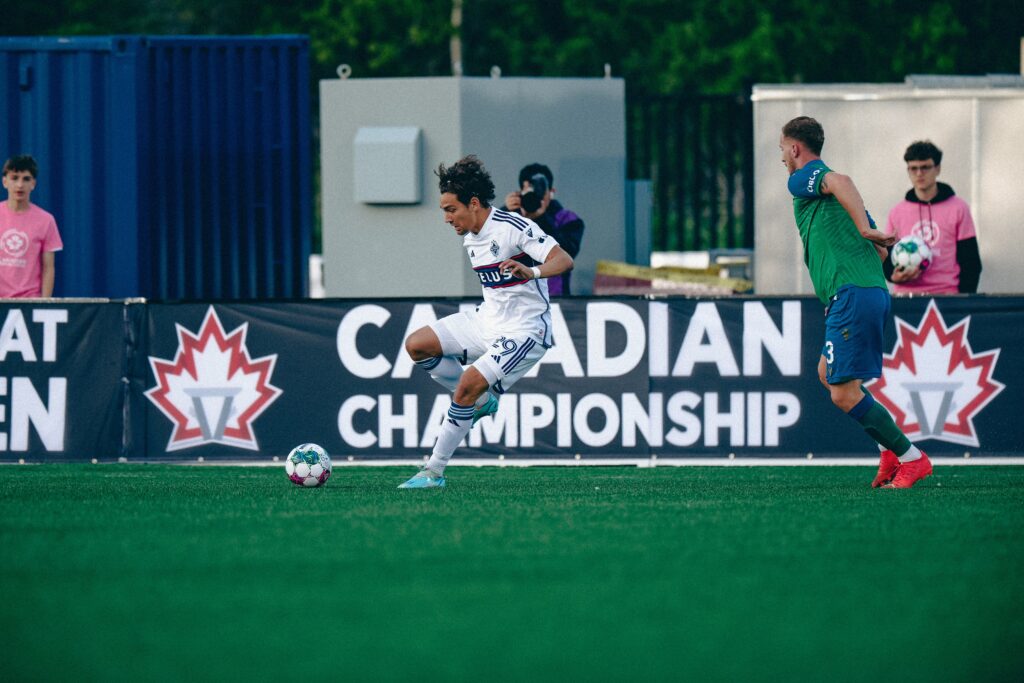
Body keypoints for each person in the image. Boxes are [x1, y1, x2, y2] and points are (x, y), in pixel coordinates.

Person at [399, 155, 574, 488]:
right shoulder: (470, 237)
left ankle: (433, 473)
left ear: (474, 204)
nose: (446, 218)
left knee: (465, 387)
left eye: (451, 210)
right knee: (417, 345)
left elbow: (563, 260)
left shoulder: (513, 228)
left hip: (526, 330)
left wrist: (531, 270)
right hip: (486, 320)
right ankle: (480, 401)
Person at [780, 116, 931, 489]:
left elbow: (840, 181)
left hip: (850, 293)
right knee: (826, 373)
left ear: (795, 148)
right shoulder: (846, 206)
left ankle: (912, 458)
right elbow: (881, 252)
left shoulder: (804, 178)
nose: (782, 156)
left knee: (842, 391)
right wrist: (865, 238)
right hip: (866, 292)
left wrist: (864, 232)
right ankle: (888, 452)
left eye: (782, 149)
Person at [884, 140, 981, 293]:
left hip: (947, 296)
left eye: (925, 167)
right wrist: (892, 276)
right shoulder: (897, 212)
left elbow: (971, 262)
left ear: (937, 169)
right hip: (906, 298)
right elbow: (886, 258)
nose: (919, 173)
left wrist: (963, 302)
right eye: (913, 168)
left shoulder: (958, 208)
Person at [503, 163, 584, 296]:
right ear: (520, 193)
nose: (535, 197)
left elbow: (567, 255)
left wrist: (540, 218)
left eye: (540, 192)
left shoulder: (567, 219)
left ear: (551, 192)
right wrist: (506, 212)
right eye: (530, 192)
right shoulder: (509, 216)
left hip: (555, 299)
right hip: (515, 297)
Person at [0, 155, 63, 298]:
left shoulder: (46, 220)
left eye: (26, 179)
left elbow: (48, 268)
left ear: (33, 183)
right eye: (14, 178)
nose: (20, 185)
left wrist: (44, 304)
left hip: (30, 302)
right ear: (5, 181)